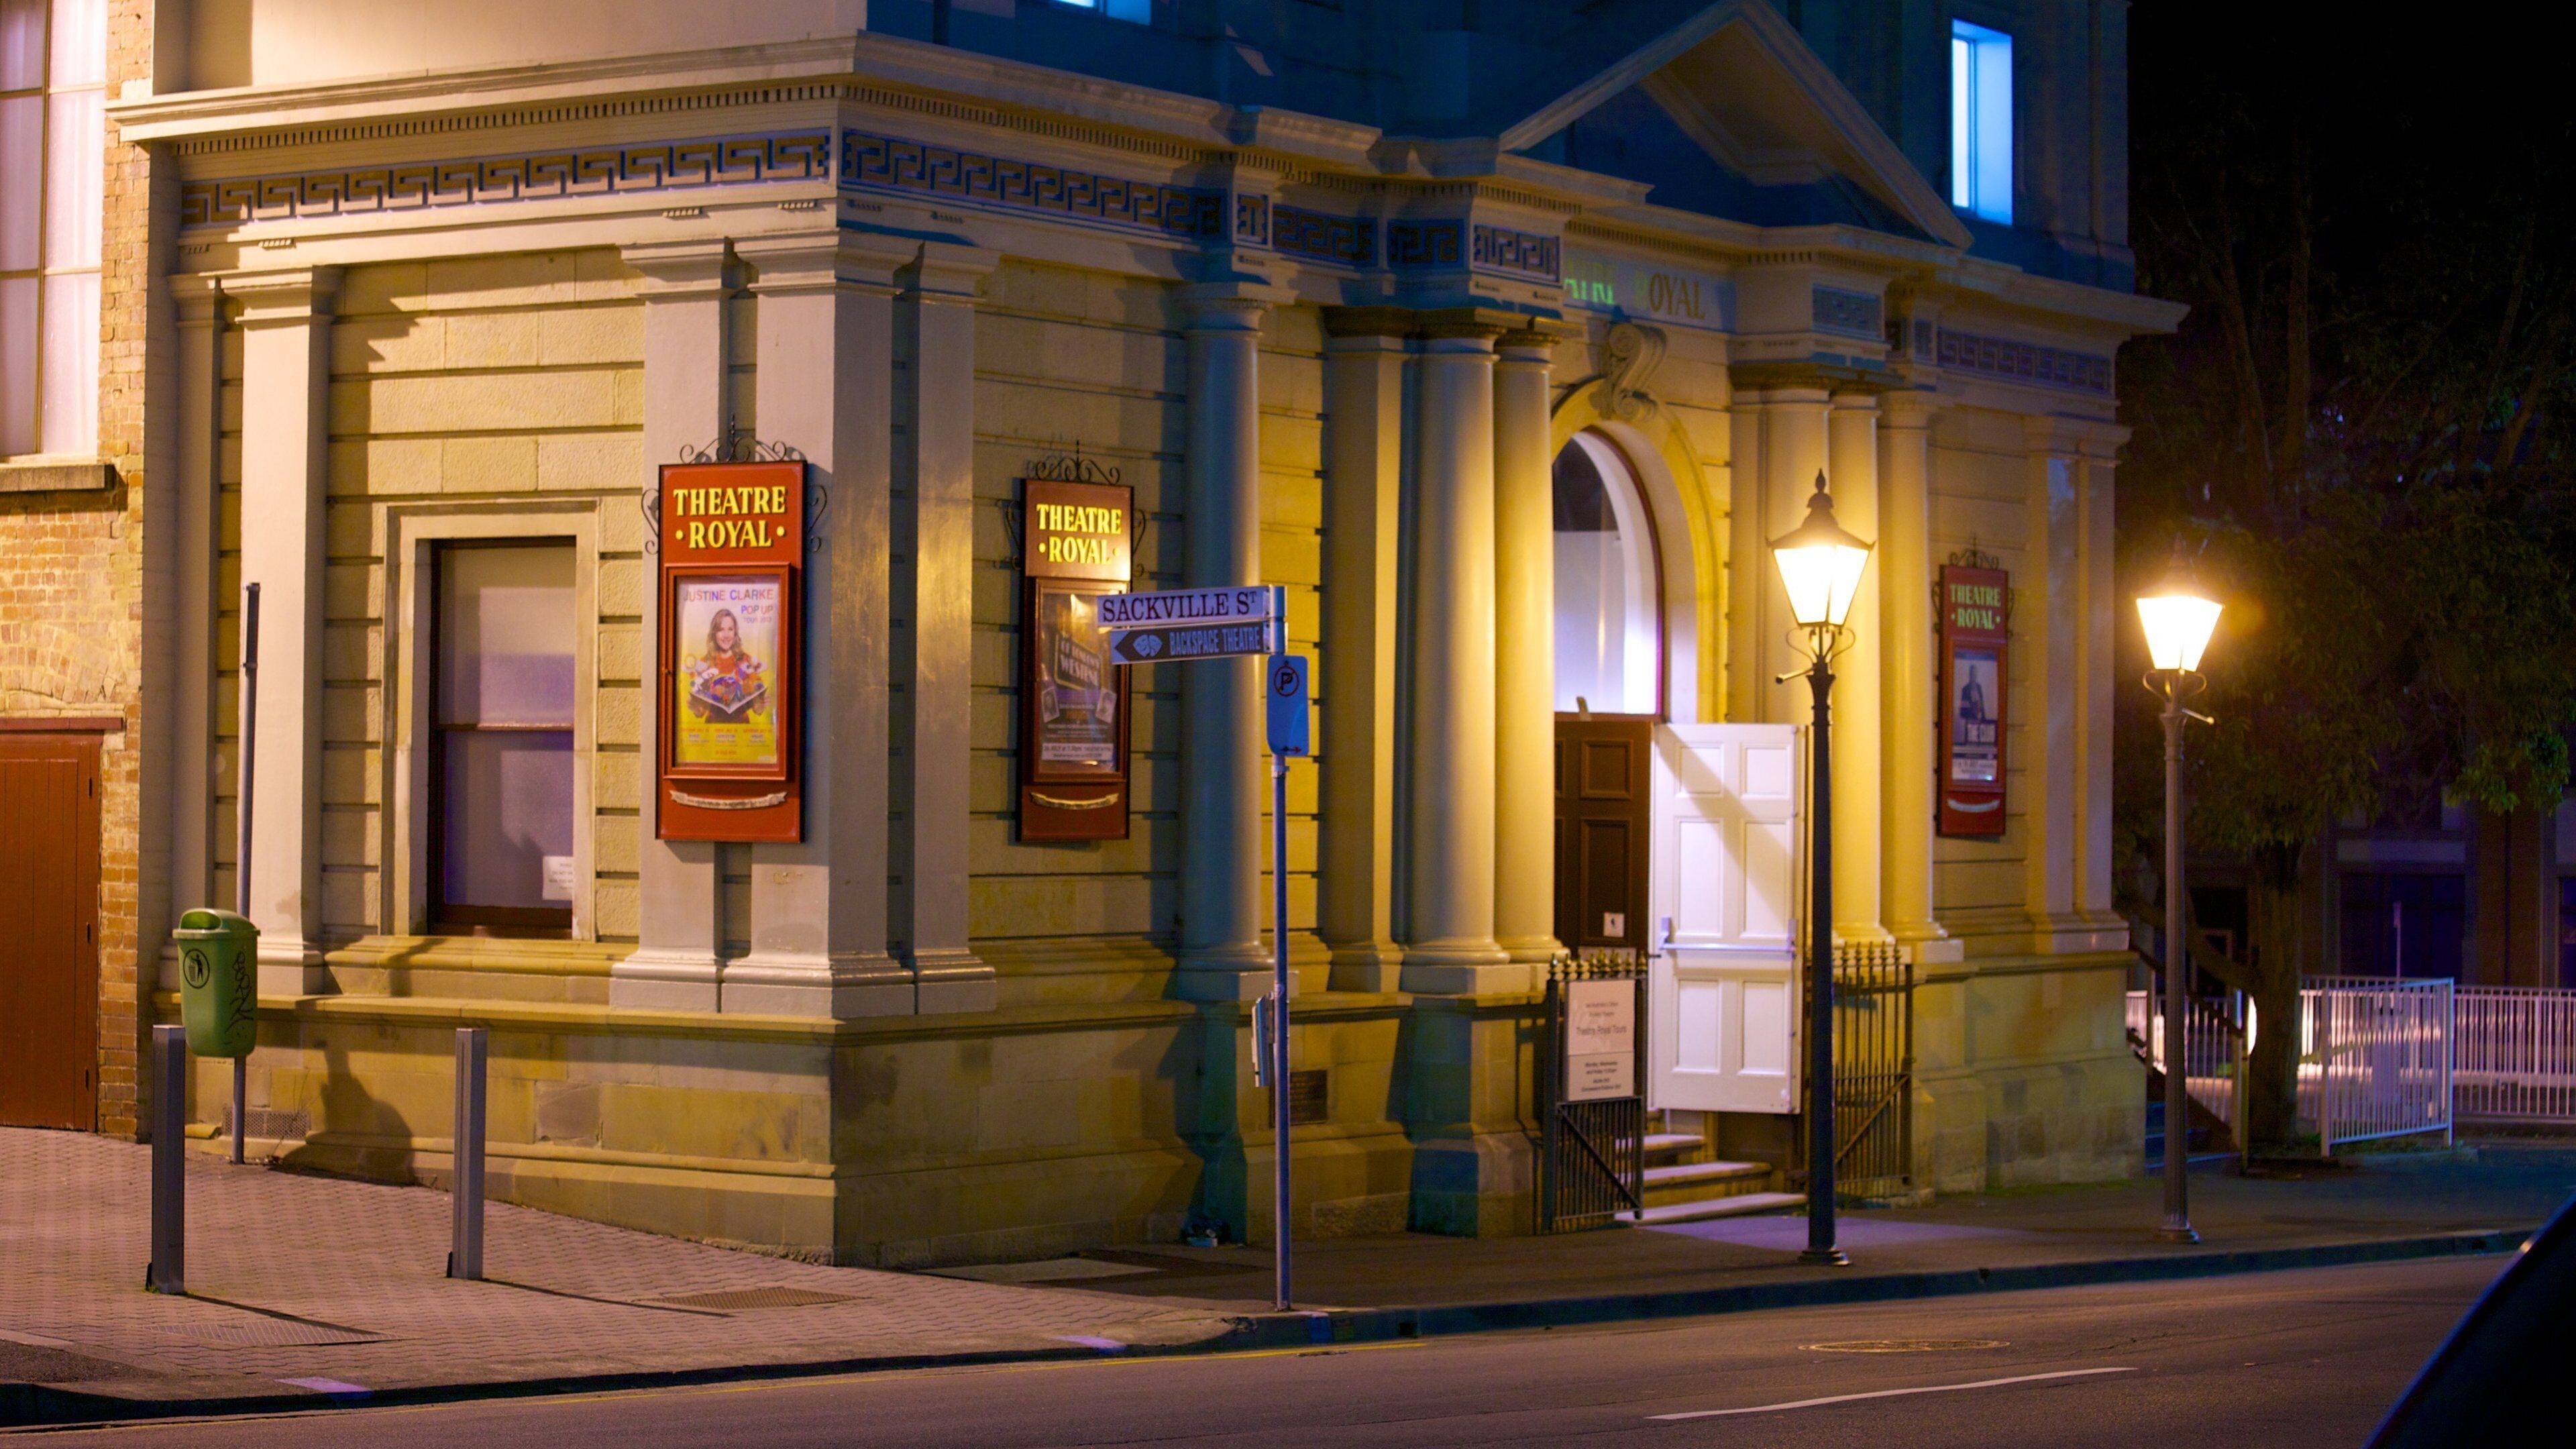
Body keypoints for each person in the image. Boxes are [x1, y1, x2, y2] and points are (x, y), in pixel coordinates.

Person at [686, 607, 766, 720]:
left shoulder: (746, 661)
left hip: (742, 727)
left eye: (730, 629)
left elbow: (757, 707)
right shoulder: (704, 663)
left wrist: (760, 706)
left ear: (735, 632)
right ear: (714, 633)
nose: (726, 635)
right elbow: (700, 711)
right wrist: (695, 708)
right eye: (721, 630)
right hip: (713, 728)